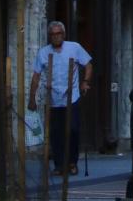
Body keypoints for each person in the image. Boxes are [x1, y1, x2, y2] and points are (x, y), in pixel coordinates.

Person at [30, 20, 92, 176]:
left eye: (58, 34)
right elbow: (36, 76)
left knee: (73, 130)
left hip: (72, 97)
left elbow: (88, 65)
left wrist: (85, 82)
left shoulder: (74, 48)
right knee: (56, 133)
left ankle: (72, 162)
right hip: (53, 99)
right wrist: (32, 97)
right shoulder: (44, 52)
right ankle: (58, 165)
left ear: (63, 34)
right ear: (50, 36)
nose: (56, 37)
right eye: (53, 34)